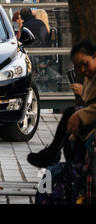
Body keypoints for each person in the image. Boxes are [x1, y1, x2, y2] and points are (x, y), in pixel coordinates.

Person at [27, 40, 96, 169]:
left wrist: (80, 114)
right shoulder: (90, 76)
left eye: (85, 64)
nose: (83, 70)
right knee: (71, 112)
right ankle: (53, 153)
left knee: (72, 113)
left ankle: (52, 153)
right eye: (78, 67)